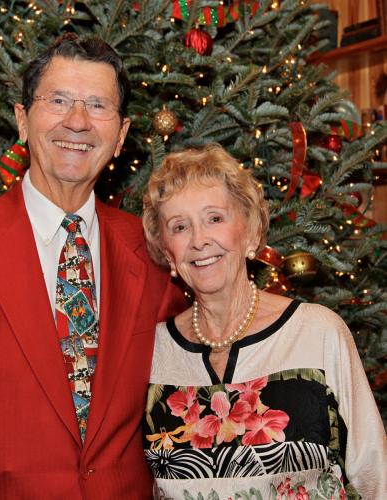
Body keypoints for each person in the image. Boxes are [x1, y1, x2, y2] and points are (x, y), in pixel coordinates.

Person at [0, 33, 184, 499]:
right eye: (59, 100)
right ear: (22, 120)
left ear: (121, 136)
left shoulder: (152, 249)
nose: (78, 121)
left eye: (97, 106)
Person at [141, 143, 387, 499]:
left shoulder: (318, 333)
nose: (199, 240)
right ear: (169, 254)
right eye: (180, 227)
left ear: (251, 233)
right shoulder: (153, 352)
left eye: (214, 218)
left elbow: (375, 474)